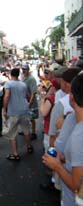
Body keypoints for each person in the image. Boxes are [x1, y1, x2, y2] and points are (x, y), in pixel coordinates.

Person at [42, 71, 83, 206]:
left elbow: (76, 186)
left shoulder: (79, 135)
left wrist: (57, 166)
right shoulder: (72, 118)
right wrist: (64, 157)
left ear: (71, 97)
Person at [3, 68, 33, 161]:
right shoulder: (23, 84)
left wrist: (5, 109)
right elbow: (27, 96)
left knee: (12, 133)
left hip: (13, 111)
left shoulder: (8, 83)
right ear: (18, 74)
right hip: (24, 110)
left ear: (11, 74)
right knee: (26, 130)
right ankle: (29, 147)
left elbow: (7, 96)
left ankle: (15, 154)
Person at [21, 64, 39, 140]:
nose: (23, 70)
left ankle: (34, 133)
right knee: (25, 117)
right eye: (23, 69)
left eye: (25, 69)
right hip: (24, 100)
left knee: (32, 118)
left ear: (28, 70)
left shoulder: (31, 79)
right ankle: (25, 131)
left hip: (30, 101)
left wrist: (30, 103)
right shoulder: (23, 77)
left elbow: (33, 92)